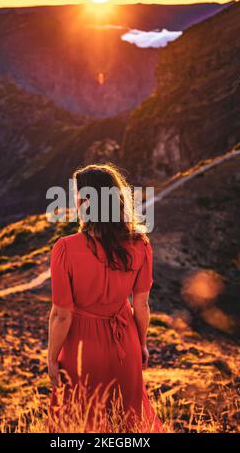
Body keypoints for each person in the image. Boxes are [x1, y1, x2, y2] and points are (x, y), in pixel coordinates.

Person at [48, 163, 164, 432]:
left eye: (78, 195)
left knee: (80, 420)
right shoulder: (140, 243)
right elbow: (142, 305)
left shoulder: (65, 248)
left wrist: (52, 357)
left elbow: (61, 314)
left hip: (81, 347)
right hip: (127, 343)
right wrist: (142, 344)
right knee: (129, 420)